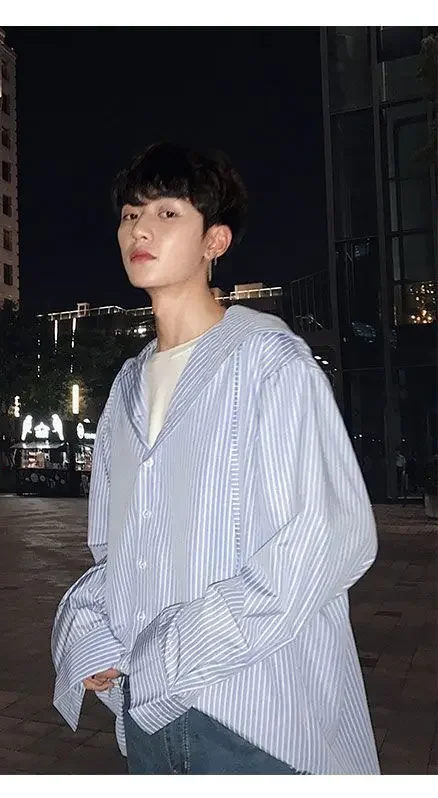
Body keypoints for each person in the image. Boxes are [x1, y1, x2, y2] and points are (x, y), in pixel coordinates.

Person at [51, 143, 380, 775]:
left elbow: (328, 536)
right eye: (130, 215)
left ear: (215, 241)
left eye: (167, 213)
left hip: (256, 717)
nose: (139, 229)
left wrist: (173, 650)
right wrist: (92, 628)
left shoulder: (268, 361)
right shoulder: (126, 387)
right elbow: (116, 551)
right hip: (149, 719)